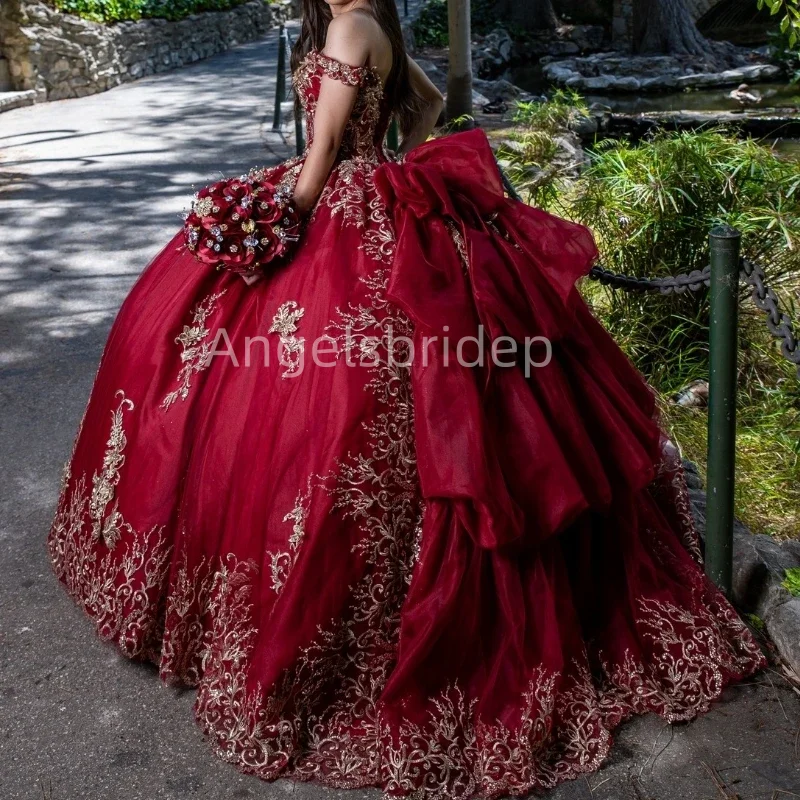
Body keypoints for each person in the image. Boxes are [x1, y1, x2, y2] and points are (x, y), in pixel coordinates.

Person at [49, 0, 765, 797]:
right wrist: (397, 166)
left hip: (335, 214)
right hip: (374, 201)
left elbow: (319, 156)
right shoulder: (366, 24)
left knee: (314, 407)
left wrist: (257, 225)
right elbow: (420, 102)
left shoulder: (350, 27)